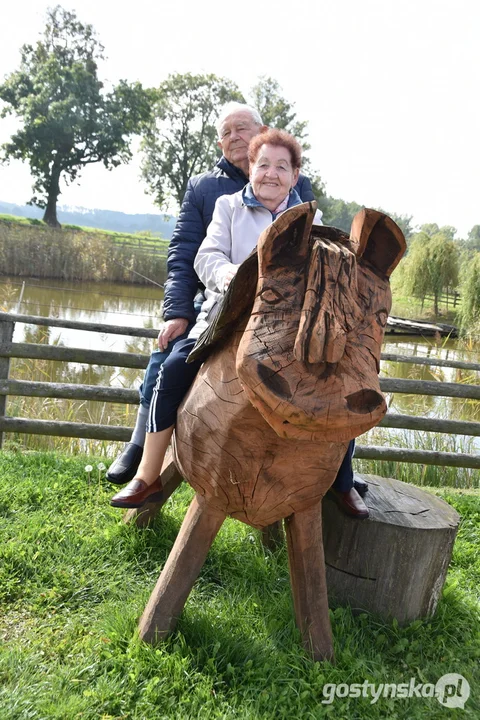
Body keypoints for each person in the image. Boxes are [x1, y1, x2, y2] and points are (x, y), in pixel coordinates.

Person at [110, 129, 367, 519]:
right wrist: (232, 276)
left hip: (286, 327)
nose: (271, 174)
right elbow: (206, 255)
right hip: (225, 314)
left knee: (337, 379)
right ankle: (148, 475)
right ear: (251, 169)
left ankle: (342, 480)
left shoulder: (309, 220)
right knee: (174, 367)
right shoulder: (229, 207)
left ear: (295, 176)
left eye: (282, 167)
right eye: (263, 164)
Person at [106, 103, 313, 482]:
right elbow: (187, 252)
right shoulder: (207, 190)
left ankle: (336, 471)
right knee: (167, 356)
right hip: (216, 298)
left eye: (242, 128)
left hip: (281, 307)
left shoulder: (293, 184)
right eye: (226, 133)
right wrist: (177, 312)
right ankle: (140, 447)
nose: (234, 137)